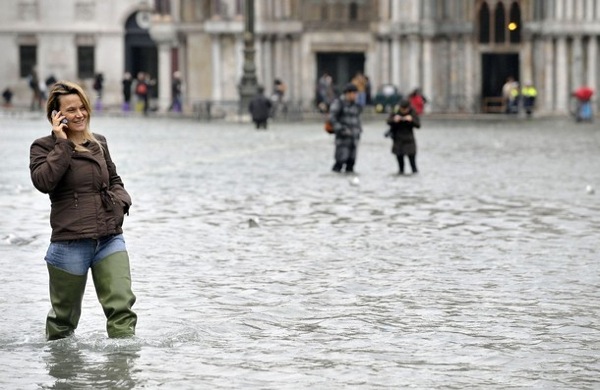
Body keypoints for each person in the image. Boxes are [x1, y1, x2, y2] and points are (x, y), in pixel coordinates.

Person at [29, 81, 137, 340]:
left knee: (122, 308)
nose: (79, 114)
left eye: (82, 108)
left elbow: (114, 180)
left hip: (109, 237)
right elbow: (44, 182)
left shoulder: (99, 142)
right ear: (56, 115)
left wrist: (120, 204)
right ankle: (63, 374)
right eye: (71, 110)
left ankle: (122, 371)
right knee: (63, 323)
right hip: (69, 242)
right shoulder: (42, 147)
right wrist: (62, 144)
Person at [329, 83, 363, 173]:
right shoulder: (338, 103)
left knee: (351, 164)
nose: (355, 96)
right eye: (354, 93)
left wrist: (359, 131)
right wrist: (341, 129)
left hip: (354, 139)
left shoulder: (356, 106)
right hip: (343, 139)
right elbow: (332, 118)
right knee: (340, 162)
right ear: (348, 93)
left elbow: (357, 120)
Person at [386, 99, 421, 175]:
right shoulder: (396, 111)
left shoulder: (412, 112)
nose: (403, 111)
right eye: (402, 109)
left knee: (413, 165)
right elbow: (388, 121)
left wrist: (411, 120)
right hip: (398, 140)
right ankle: (401, 174)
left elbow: (418, 125)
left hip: (409, 140)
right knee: (400, 166)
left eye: (405, 109)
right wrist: (394, 120)